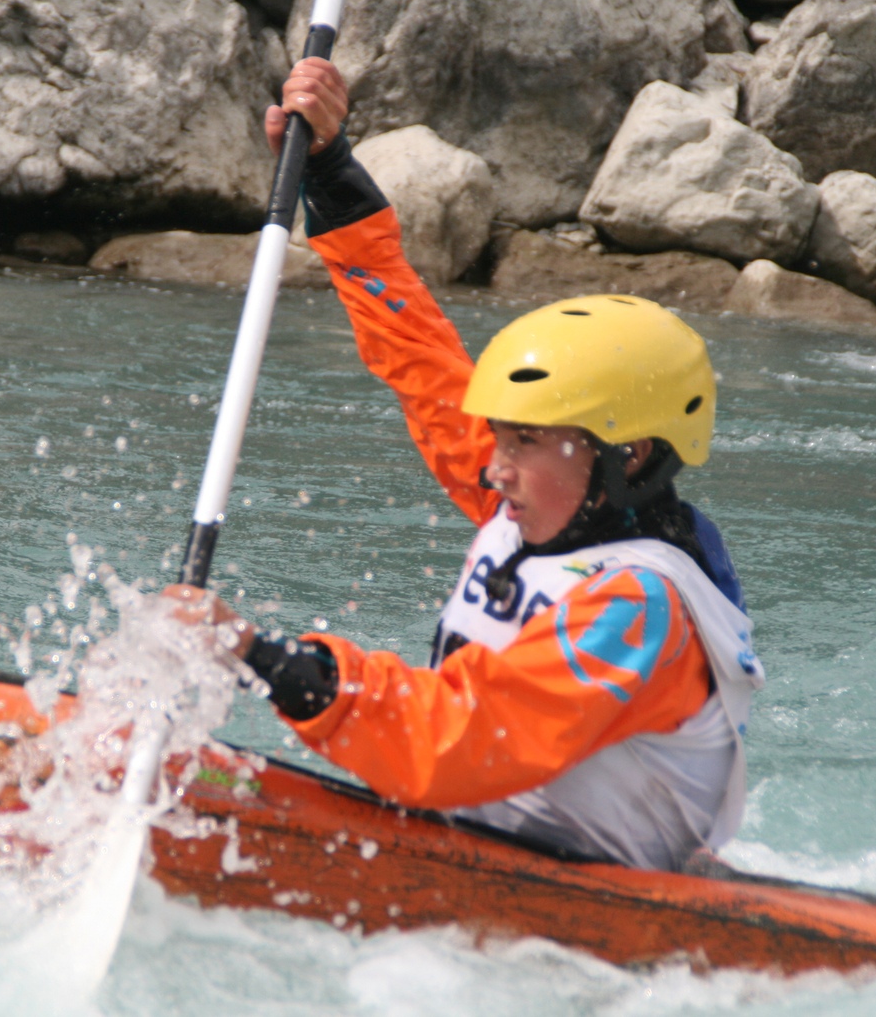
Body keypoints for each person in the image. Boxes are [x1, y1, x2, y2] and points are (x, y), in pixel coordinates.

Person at [166, 59, 764, 872]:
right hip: (476, 835)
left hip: (590, 897)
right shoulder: (542, 497)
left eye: (524, 443)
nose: (494, 468)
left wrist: (260, 656)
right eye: (501, 438)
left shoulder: (640, 612)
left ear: (628, 456)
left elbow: (459, 739)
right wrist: (328, 170)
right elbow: (414, 349)